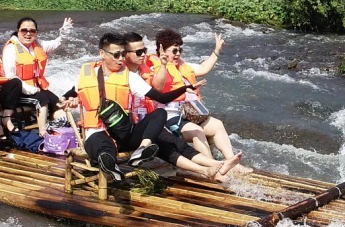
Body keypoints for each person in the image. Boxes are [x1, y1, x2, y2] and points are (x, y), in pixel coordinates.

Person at [71, 32, 241, 183]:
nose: (120, 59)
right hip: (99, 133)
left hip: (126, 133)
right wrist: (67, 100)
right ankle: (111, 167)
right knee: (102, 146)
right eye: (117, 55)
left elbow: (159, 96)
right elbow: (75, 91)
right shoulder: (88, 73)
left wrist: (183, 88)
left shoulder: (130, 77)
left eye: (122, 54)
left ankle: (212, 166)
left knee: (164, 129)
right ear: (102, 53)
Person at [145, 28, 248, 173]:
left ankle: (232, 164)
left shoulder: (182, 66)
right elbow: (158, 86)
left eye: (180, 50)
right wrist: (162, 64)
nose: (178, 54)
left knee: (217, 125)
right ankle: (213, 168)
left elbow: (203, 68)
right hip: (169, 119)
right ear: (161, 50)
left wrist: (217, 51)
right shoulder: (155, 67)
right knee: (197, 131)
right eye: (174, 51)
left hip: (188, 114)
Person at [4, 16, 71, 131]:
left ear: (36, 33)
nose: (28, 34)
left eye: (32, 31)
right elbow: (10, 76)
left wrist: (64, 34)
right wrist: (28, 89)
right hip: (19, 92)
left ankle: (62, 127)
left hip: (37, 88)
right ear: (18, 31)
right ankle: (43, 133)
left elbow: (57, 44)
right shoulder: (11, 48)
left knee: (57, 103)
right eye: (24, 30)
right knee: (42, 99)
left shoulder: (38, 45)